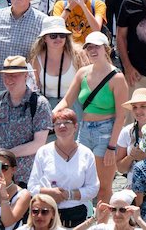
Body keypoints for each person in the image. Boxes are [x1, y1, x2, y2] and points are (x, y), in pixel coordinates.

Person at [52, 32, 126, 206]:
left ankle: (101, 222)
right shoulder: (82, 73)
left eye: (96, 46)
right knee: (83, 181)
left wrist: (112, 146)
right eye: (89, 47)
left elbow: (121, 116)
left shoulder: (117, 77)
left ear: (106, 49)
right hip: (84, 130)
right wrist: (53, 114)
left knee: (103, 186)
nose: (92, 50)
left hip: (106, 132)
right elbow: (67, 100)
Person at [0, 55, 53, 186]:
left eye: (14, 75)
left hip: (27, 176)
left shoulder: (39, 103)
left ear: (26, 75)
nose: (9, 79)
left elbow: (39, 143)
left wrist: (6, 155)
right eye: (6, 75)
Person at [27, 108, 98, 227]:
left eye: (67, 122)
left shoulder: (86, 154)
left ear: (76, 126)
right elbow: (32, 187)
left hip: (78, 214)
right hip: (48, 214)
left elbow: (93, 188)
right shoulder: (43, 152)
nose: (62, 126)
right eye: (57, 124)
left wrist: (69, 195)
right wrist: (50, 193)